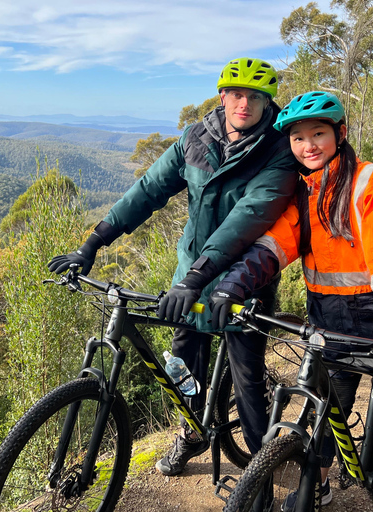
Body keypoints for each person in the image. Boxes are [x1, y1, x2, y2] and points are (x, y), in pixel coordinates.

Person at [48, 58, 301, 476]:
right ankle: (191, 433)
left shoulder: (279, 151)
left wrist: (194, 279)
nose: (244, 103)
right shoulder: (196, 138)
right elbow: (148, 189)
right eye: (236, 94)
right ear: (222, 97)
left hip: (245, 279)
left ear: (266, 101)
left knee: (248, 381)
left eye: (255, 96)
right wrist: (93, 243)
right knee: (181, 365)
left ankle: (260, 472)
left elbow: (247, 220)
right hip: (192, 276)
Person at [209, 91, 373, 511]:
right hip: (334, 325)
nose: (308, 146)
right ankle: (313, 490)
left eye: (318, 133)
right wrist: (233, 286)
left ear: (340, 134)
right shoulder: (302, 194)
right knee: (320, 422)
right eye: (298, 138)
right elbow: (271, 247)